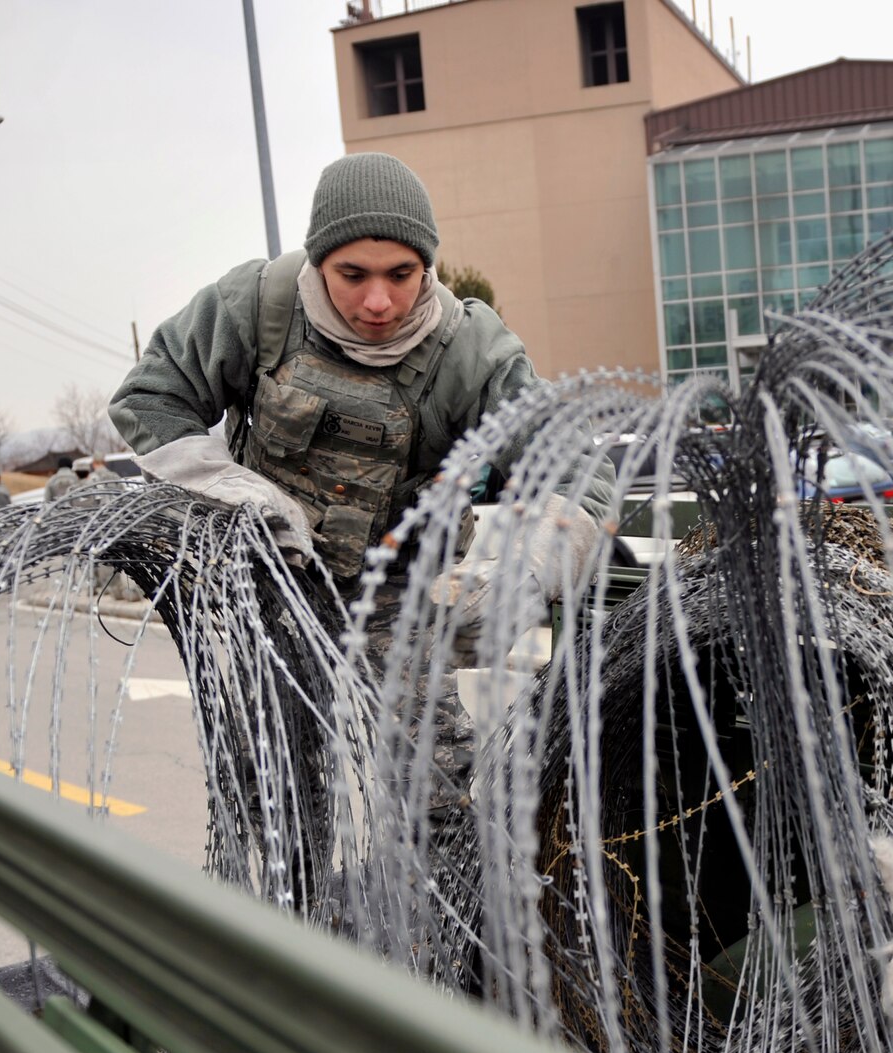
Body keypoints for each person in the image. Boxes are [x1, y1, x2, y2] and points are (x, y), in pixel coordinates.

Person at [110, 151, 611, 851]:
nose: (378, 302)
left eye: (401, 275)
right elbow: (150, 401)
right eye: (353, 276)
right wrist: (238, 494)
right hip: (274, 578)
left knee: (433, 793)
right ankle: (287, 922)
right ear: (319, 264)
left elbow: (577, 474)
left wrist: (526, 570)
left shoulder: (471, 352)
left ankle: (440, 933)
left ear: (427, 266)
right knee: (275, 790)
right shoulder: (258, 307)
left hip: (405, 594)